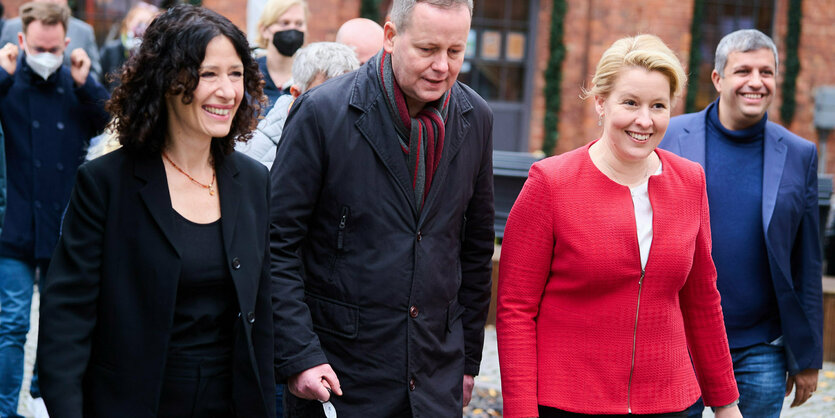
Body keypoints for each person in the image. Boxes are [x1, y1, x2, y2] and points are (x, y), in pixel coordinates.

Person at [36, 5, 275, 417]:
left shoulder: (254, 181)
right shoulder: (106, 183)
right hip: (134, 402)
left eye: (235, 73)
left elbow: (265, 313)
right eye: (208, 74)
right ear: (167, 80)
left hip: (231, 403)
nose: (227, 91)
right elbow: (66, 322)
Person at [496, 34, 742, 418]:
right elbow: (515, 310)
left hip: (672, 402)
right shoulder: (550, 183)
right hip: (570, 401)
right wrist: (522, 412)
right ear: (600, 102)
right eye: (630, 103)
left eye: (658, 105)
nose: (645, 120)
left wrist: (726, 402)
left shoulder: (690, 181)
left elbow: (702, 299)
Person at [271, 0, 494, 416]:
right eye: (427, 50)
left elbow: (475, 248)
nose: (442, 66)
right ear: (390, 38)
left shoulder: (476, 116)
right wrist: (300, 354)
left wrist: (467, 362)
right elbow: (277, 245)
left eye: (455, 51)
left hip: (434, 377)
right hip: (339, 376)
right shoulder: (322, 112)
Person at [659, 29, 823, 417]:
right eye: (743, 70)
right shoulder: (669, 137)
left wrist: (808, 355)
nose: (755, 81)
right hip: (677, 340)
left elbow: (808, 261)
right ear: (717, 78)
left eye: (766, 72)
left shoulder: (800, 154)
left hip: (760, 349)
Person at [0, 2, 108, 416]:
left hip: (64, 224)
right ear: (22, 40)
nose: (46, 55)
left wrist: (88, 84)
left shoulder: (75, 83)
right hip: (14, 224)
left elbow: (116, 123)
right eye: (38, 47)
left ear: (65, 43)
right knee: (12, 324)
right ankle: (7, 408)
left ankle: (46, 398)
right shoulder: (8, 83)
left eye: (53, 48)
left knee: (61, 324)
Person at [237, 41, 359, 169]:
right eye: (326, 96)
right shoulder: (248, 154)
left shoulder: (359, 145)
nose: (339, 104)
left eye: (347, 94)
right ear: (296, 94)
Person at [0, 0, 101, 81]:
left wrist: (82, 84)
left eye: (54, 49)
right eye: (39, 49)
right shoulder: (11, 27)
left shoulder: (83, 31)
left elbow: (94, 73)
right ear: (21, 40)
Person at [254, 0, 308, 112]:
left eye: (299, 24)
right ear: (264, 30)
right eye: (285, 23)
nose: (292, 29)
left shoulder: (310, 80)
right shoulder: (248, 75)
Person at [98, 1, 158, 91]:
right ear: (128, 22)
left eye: (147, 24)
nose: (142, 29)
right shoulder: (111, 50)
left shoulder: (155, 54)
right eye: (140, 22)